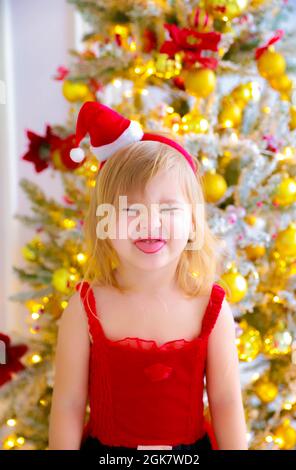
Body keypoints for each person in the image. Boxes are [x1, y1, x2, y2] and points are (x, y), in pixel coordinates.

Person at [48, 102, 248, 451]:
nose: (149, 222)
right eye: (129, 210)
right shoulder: (86, 307)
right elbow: (67, 405)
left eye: (168, 209)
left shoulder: (210, 308)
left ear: (193, 223)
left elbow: (227, 403)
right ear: (104, 223)